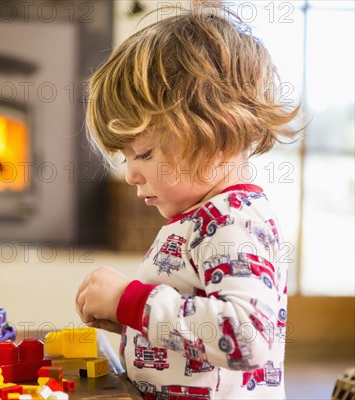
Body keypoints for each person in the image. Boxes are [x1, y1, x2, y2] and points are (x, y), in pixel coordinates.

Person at [75, 5, 301, 399]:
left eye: (143, 153)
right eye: (125, 158)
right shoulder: (205, 216)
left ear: (216, 134)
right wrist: (129, 319)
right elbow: (197, 322)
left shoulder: (234, 221)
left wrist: (129, 299)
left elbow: (244, 336)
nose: (130, 175)